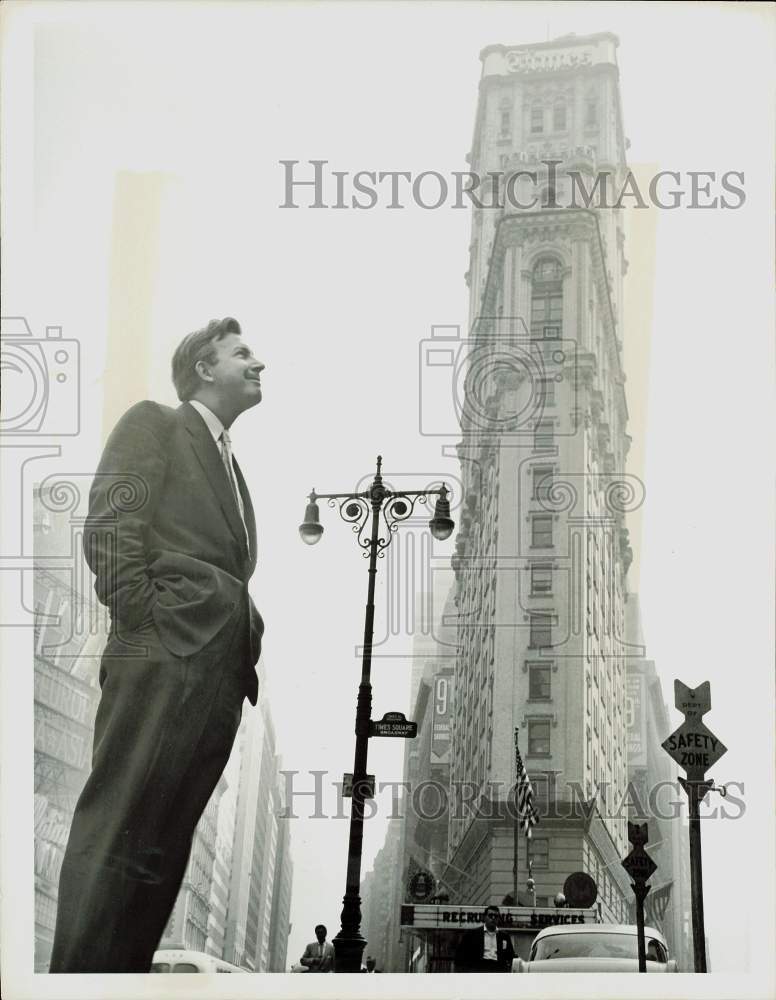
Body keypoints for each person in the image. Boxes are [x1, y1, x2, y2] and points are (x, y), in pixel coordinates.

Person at [49, 318, 265, 972]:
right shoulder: (155, 425)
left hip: (217, 679)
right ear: (203, 366)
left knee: (159, 854)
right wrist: (148, 625)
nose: (260, 364)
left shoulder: (234, 468)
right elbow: (111, 526)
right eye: (243, 353)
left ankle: (116, 979)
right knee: (116, 830)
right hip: (164, 658)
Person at [454, 905, 515, 973]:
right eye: (490, 915)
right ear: (485, 917)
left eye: (496, 916)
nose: (493, 918)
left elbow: (510, 956)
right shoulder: (472, 934)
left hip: (498, 969)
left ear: (498, 919)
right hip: (479, 968)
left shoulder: (505, 936)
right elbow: (460, 956)